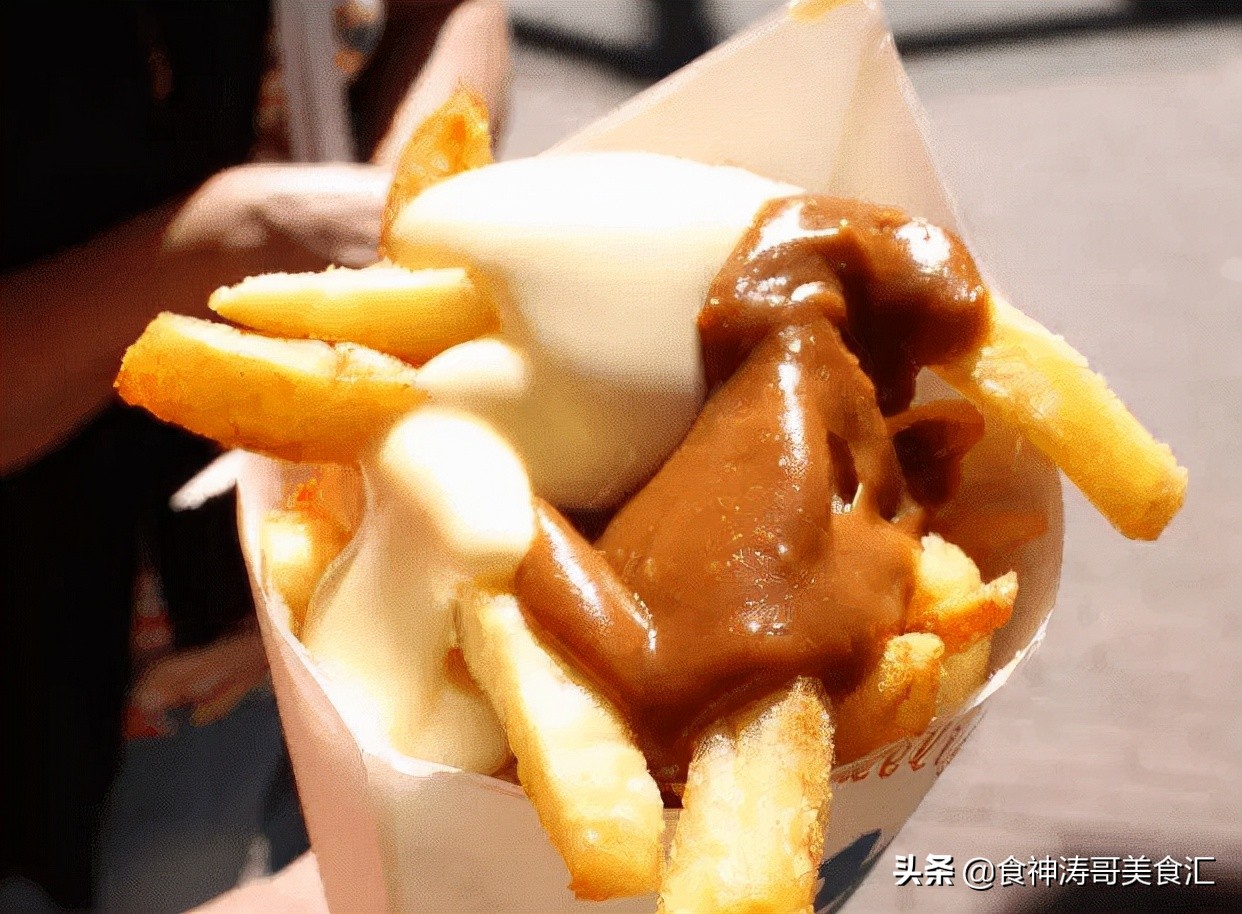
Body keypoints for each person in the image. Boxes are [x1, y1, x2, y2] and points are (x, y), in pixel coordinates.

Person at [0, 1, 508, 908]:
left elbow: (450, 14)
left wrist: (416, 188)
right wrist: (228, 241)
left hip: (272, 637)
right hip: (62, 678)